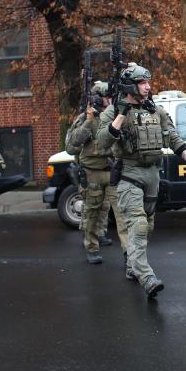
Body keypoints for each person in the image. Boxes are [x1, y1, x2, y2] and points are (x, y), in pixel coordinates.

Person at [97, 62, 186, 298]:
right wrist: (121, 114)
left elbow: (173, 136)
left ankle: (131, 266)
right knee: (138, 225)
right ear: (129, 86)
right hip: (129, 175)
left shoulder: (156, 111)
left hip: (152, 175)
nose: (148, 86)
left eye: (148, 82)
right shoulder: (114, 111)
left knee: (148, 225)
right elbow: (102, 142)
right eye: (142, 83)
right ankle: (147, 277)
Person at [65, 81, 128, 265]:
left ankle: (129, 252)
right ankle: (91, 247)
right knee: (91, 212)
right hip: (91, 173)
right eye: (107, 97)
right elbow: (71, 147)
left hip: (112, 173)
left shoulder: (115, 116)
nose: (111, 100)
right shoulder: (86, 118)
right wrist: (88, 122)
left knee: (121, 213)